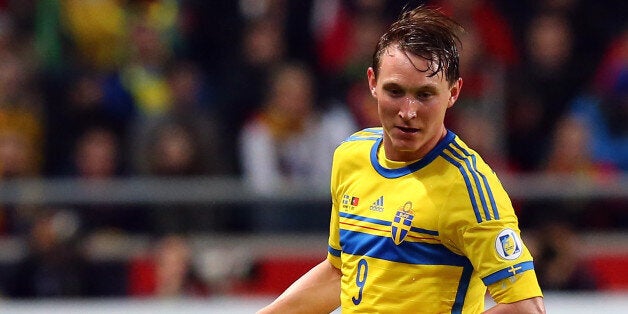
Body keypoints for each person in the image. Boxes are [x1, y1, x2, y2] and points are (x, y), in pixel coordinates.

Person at [258, 5, 545, 313]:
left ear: (453, 92)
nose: (408, 112)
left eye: (424, 95)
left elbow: (526, 308)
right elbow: (340, 272)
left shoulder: (468, 184)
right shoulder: (351, 156)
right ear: (372, 83)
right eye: (395, 91)